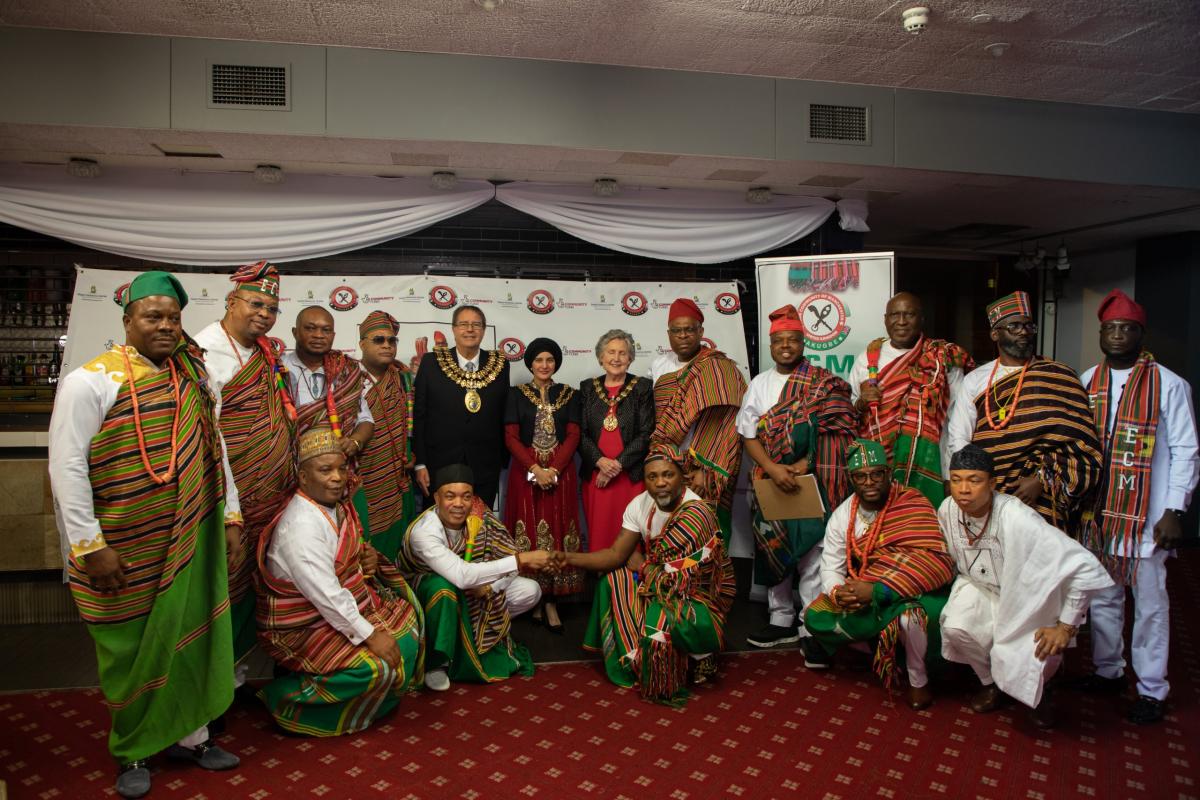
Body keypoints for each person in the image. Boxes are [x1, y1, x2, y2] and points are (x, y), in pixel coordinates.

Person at [48, 271, 241, 799]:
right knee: (132, 650)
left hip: (192, 534)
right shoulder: (89, 381)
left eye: (174, 318)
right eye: (153, 316)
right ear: (128, 320)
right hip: (123, 545)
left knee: (192, 638)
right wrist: (90, 546)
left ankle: (192, 737)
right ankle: (134, 748)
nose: (166, 326)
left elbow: (216, 448)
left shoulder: (194, 378)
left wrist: (231, 516)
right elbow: (67, 467)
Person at [1076, 289, 1199, 724]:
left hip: (1148, 517)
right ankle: (1108, 671)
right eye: (1110, 328)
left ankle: (1152, 689)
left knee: (1150, 605)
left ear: (1140, 334)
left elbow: (1186, 450)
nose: (1117, 335)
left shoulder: (1169, 384)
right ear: (1101, 334)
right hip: (1099, 515)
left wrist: (1175, 510)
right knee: (1103, 597)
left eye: (1126, 329)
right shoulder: (1088, 380)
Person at [255, 426, 424, 736]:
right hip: (304, 625)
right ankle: (287, 700)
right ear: (303, 477)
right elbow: (327, 595)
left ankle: (368, 703)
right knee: (375, 668)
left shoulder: (334, 506)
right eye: (325, 470)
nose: (337, 477)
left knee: (409, 629)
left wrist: (366, 557)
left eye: (341, 468)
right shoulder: (301, 526)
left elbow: (347, 554)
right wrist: (370, 635)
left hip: (336, 608)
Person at [939, 444, 1114, 729]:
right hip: (979, 587)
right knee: (955, 627)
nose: (964, 490)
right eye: (956, 480)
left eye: (974, 480)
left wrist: (1065, 626)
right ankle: (991, 682)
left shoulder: (1016, 517)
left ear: (992, 483)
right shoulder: (947, 509)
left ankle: (1042, 691)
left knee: (1030, 655)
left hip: (1024, 598)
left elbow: (1085, 567)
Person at [567, 447, 736, 706]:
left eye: (668, 474)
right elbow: (615, 554)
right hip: (660, 582)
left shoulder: (696, 513)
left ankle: (702, 654)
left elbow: (680, 584)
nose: (660, 483)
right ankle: (637, 656)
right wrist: (565, 559)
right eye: (652, 477)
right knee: (614, 580)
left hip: (696, 597)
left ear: (683, 476)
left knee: (660, 617)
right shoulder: (640, 504)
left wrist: (643, 567)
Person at [194, 259, 298, 661]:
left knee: (257, 587)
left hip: (273, 498)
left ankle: (236, 673)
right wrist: (230, 512)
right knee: (223, 588)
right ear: (231, 301)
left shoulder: (265, 353)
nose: (264, 314)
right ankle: (214, 679)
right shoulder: (204, 352)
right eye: (255, 304)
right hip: (228, 500)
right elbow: (209, 438)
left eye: (271, 309)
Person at [802, 440, 955, 710]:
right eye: (861, 476)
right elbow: (831, 566)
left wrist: (878, 590)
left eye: (876, 474)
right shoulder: (843, 515)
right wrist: (840, 593)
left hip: (915, 592)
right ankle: (882, 645)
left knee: (910, 618)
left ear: (888, 473)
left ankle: (917, 678)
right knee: (815, 616)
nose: (869, 482)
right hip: (864, 592)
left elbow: (936, 561)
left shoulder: (912, 502)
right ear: (851, 479)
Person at [739, 305, 855, 653]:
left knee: (812, 552)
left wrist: (805, 464)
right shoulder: (759, 384)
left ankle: (811, 624)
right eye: (779, 341)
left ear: (803, 343)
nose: (786, 346)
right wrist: (774, 469)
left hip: (813, 479)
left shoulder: (823, 383)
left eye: (792, 340)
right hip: (769, 478)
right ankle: (780, 619)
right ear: (771, 345)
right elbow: (748, 435)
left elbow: (839, 429)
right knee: (773, 547)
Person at [945, 291, 1101, 530]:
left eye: (1029, 326)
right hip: (988, 491)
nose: (1023, 332)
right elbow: (959, 438)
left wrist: (1041, 480)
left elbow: (1081, 444)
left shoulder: (1060, 376)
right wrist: (979, 482)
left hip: (1043, 497)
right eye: (1014, 326)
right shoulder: (975, 380)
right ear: (995, 334)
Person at [397, 464, 550, 691]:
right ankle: (436, 663)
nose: (459, 504)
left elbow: (507, 559)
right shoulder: (424, 532)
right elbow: (462, 576)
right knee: (443, 588)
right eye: (450, 496)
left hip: (473, 591)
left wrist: (491, 587)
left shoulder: (481, 516)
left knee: (530, 590)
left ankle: (472, 631)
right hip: (430, 596)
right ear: (436, 498)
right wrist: (520, 560)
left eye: (466, 496)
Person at [848, 291, 974, 505]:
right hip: (878, 468)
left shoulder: (941, 358)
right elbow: (849, 412)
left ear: (922, 319)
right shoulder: (867, 358)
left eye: (909, 314)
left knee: (924, 518)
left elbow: (957, 418)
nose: (902, 321)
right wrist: (861, 403)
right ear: (885, 320)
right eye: (895, 315)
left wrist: (952, 471)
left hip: (929, 461)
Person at [649, 297, 747, 540]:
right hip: (667, 464)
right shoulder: (658, 366)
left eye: (689, 329)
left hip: (704, 466)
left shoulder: (719, 367)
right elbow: (658, 420)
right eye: (677, 331)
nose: (683, 335)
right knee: (669, 534)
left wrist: (706, 468)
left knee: (707, 534)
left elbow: (725, 423)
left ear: (701, 332)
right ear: (669, 334)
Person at [503, 337, 584, 630]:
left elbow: (573, 435)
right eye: (539, 360)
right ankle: (532, 597)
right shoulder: (515, 395)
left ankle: (551, 601)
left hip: (560, 472)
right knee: (528, 530)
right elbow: (510, 437)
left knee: (558, 531)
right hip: (526, 471)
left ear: (556, 363)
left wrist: (553, 469)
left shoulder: (569, 394)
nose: (544, 365)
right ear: (530, 364)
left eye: (550, 360)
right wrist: (536, 468)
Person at [411, 305, 510, 507]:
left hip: (485, 465)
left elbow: (502, 413)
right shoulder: (432, 362)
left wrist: (501, 460)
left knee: (480, 522)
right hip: (438, 465)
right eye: (464, 324)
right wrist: (420, 463)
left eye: (476, 325)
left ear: (483, 330)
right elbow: (419, 416)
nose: (470, 329)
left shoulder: (499, 365)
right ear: (454, 329)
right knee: (439, 523)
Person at [578, 329, 655, 553]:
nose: (616, 358)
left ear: (630, 358)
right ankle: (601, 573)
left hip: (630, 476)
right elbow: (579, 433)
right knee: (600, 531)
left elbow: (646, 433)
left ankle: (632, 575)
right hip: (596, 475)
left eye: (622, 353)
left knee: (631, 534)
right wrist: (600, 462)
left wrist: (616, 466)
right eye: (611, 352)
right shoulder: (588, 388)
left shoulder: (642, 387)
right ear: (601, 357)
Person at [353, 311, 419, 562]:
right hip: (363, 477)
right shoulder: (347, 379)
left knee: (397, 550)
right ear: (362, 344)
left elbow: (415, 423)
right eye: (378, 340)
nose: (387, 345)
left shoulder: (403, 379)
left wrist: (414, 453)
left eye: (392, 340)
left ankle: (395, 585)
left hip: (397, 477)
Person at [283, 306, 374, 454]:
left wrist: (355, 441)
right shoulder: (278, 369)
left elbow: (365, 419)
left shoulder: (345, 370)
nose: (319, 335)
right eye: (310, 328)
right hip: (291, 461)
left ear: (333, 335)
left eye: (326, 330)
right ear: (295, 332)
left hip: (337, 462)